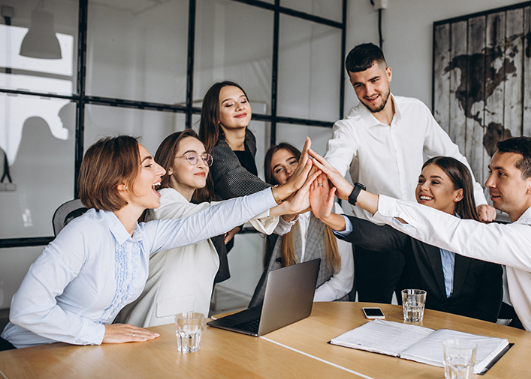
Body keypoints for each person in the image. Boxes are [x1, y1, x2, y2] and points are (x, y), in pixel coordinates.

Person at [0, 135, 316, 349]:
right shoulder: (83, 232)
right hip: (25, 354)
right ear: (121, 184)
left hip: (79, 351)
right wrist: (102, 333)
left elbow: (207, 220)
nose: (161, 171)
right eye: (149, 164)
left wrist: (279, 193)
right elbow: (26, 310)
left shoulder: (142, 236)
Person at [309, 137, 531, 350]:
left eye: (502, 174)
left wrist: (353, 193)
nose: (488, 183)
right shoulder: (524, 229)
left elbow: (454, 232)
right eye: (491, 171)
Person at [324, 43, 496, 304]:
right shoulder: (349, 128)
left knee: (423, 314)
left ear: (388, 74)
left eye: (374, 80)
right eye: (358, 85)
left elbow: (453, 157)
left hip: (419, 236)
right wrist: (326, 177)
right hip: (376, 239)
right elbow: (334, 163)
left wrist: (479, 201)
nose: (368, 91)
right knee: (373, 315)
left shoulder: (417, 111)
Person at [116, 130, 298, 328]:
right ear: (167, 167)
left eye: (204, 157)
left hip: (185, 332)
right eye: (191, 157)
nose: (202, 163)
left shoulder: (195, 208)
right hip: (152, 330)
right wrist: (282, 197)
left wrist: (286, 208)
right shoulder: (163, 204)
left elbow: (211, 216)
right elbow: (210, 216)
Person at [310, 156, 503, 322]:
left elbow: (489, 303)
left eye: (434, 182)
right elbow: (376, 235)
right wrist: (328, 217)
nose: (423, 187)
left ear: (458, 194)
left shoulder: (480, 235)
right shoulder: (412, 229)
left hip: (472, 336)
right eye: (421, 180)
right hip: (420, 330)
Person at [199, 81, 307, 282]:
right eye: (229, 104)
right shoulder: (214, 151)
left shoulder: (249, 140)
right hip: (204, 232)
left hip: (226, 228)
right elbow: (238, 183)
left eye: (243, 101)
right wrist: (288, 191)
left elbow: (238, 192)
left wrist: (238, 223)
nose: (240, 107)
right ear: (215, 116)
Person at [249, 143, 354, 307]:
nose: (288, 171)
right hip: (285, 306)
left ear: (304, 163)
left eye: (292, 162)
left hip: (327, 307)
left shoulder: (333, 210)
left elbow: (344, 280)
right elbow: (280, 226)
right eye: (278, 169)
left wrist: (303, 302)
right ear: (273, 180)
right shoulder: (277, 218)